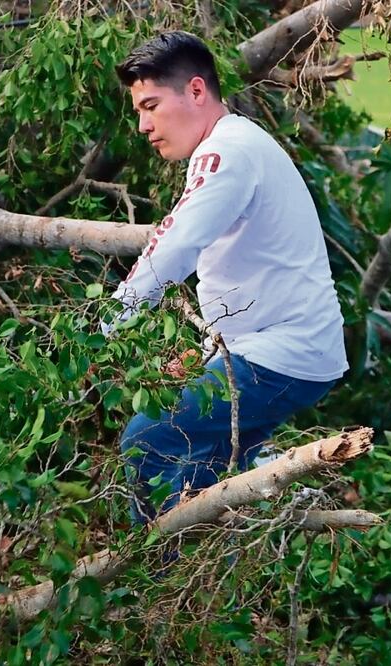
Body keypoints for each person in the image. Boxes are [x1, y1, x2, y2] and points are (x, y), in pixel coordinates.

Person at [106, 31, 348, 523]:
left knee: (144, 441)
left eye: (151, 105)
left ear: (196, 91)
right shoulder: (237, 142)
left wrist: (102, 328)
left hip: (281, 354)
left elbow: (175, 246)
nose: (143, 124)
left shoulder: (226, 153)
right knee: (202, 488)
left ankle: (146, 577)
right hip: (291, 351)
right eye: (138, 110)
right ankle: (193, 590)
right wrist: (208, 358)